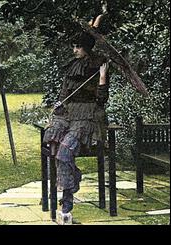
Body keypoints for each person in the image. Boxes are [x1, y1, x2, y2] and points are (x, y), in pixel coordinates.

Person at [43, 31, 109, 220]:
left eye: (78, 47)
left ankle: (67, 200)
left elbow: (102, 100)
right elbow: (64, 94)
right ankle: (66, 184)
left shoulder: (98, 67)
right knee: (52, 143)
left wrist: (103, 77)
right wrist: (59, 104)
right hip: (68, 113)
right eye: (73, 46)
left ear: (86, 48)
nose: (75, 50)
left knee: (64, 152)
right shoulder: (73, 66)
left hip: (88, 115)